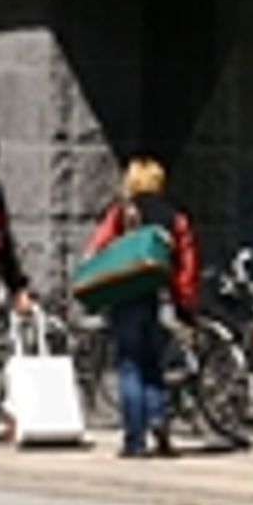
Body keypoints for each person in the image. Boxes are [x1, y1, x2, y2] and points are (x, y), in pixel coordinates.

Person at [84, 154, 199, 458]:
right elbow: (186, 263)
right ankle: (158, 418)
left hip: (126, 296)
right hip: (159, 298)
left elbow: (96, 249)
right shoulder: (174, 216)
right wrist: (185, 304)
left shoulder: (121, 212)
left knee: (129, 365)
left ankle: (134, 440)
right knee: (153, 364)